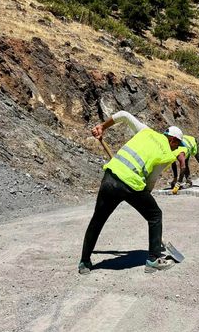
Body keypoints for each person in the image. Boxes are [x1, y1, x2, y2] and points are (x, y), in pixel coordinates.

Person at [78, 111, 187, 275]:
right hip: (131, 185)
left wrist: (102, 126)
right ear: (172, 140)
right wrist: (145, 200)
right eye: (177, 145)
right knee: (155, 215)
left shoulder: (146, 130)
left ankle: (84, 262)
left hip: (110, 176)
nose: (176, 148)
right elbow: (150, 181)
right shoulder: (166, 154)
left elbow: (123, 114)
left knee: (98, 219)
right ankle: (153, 259)